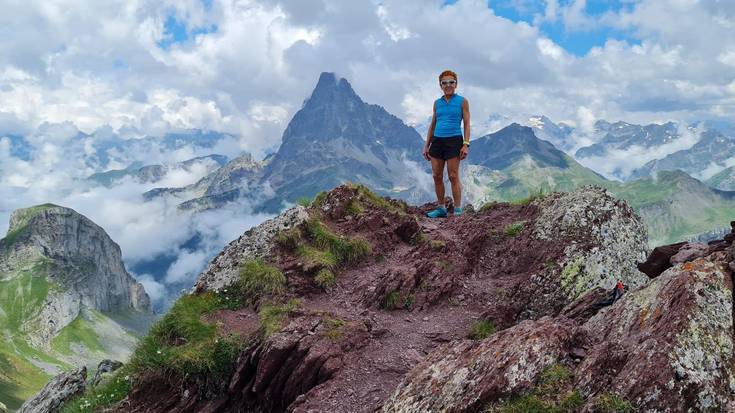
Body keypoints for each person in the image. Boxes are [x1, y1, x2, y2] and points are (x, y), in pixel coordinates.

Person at [423, 70, 471, 218]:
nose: (448, 85)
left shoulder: (462, 101)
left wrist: (466, 144)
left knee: (453, 175)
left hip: (454, 140)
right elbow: (433, 124)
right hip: (437, 140)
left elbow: (467, 123)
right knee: (437, 176)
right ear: (440, 85)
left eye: (451, 82)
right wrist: (427, 145)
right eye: (445, 83)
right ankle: (441, 208)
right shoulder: (437, 103)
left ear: (456, 84)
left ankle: (457, 210)